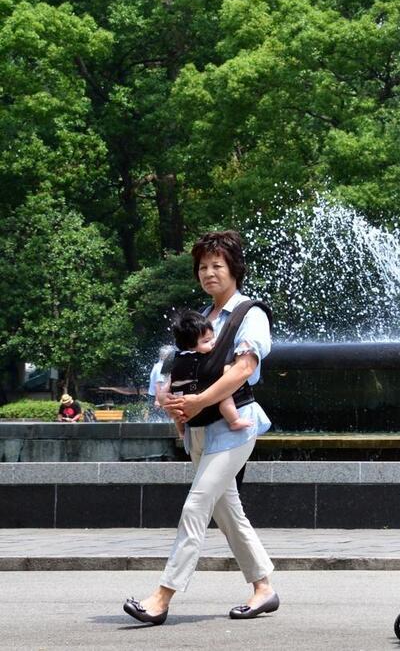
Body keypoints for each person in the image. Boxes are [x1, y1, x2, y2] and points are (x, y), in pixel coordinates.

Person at [123, 230, 278, 626]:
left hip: (234, 428)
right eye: (203, 267)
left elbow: (245, 368)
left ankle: (162, 596)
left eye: (217, 266)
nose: (209, 273)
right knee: (229, 513)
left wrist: (197, 401)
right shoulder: (200, 318)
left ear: (234, 270)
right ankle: (264, 588)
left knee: (196, 507)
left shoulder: (250, 315)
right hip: (197, 431)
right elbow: (170, 365)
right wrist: (167, 398)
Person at [164, 310, 253, 434]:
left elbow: (170, 382)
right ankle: (234, 421)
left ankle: (181, 431)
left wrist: (166, 395)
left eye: (213, 337)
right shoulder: (203, 357)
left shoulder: (177, 358)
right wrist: (233, 365)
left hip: (182, 396)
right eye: (206, 341)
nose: (213, 342)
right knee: (225, 395)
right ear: (189, 346)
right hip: (202, 396)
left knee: (177, 409)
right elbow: (225, 371)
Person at [147, 345, 176, 414]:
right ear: (165, 356)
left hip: (156, 396)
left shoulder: (158, 365)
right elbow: (158, 385)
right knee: (159, 419)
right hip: (156, 397)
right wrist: (157, 401)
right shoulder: (161, 367)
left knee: (156, 419)